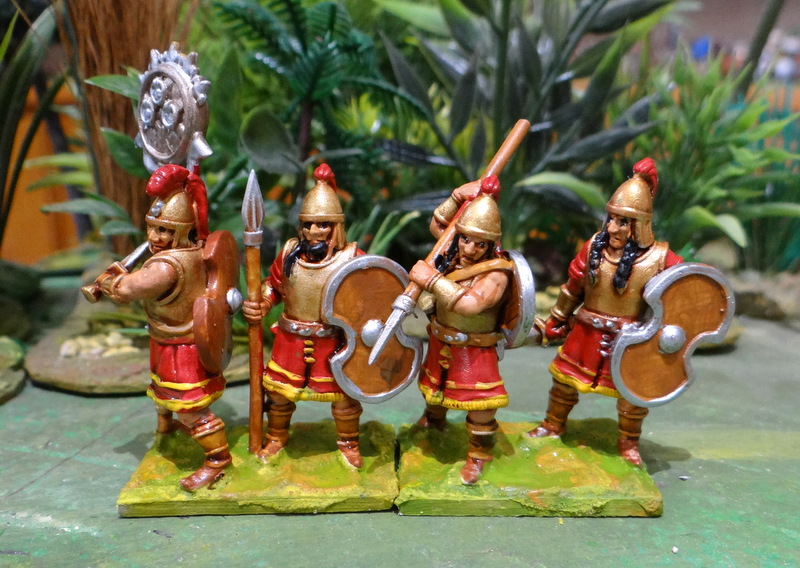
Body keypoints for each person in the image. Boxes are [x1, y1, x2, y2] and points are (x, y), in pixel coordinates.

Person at [528, 158, 682, 466]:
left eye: (623, 221)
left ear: (639, 225)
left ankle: (629, 442)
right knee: (564, 381)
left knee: (632, 394)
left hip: (630, 341)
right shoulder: (593, 248)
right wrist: (558, 318)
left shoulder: (661, 259)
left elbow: (684, 292)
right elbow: (573, 288)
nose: (612, 227)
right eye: (611, 218)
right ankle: (553, 424)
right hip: (586, 332)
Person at [98, 164, 232, 491]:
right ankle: (166, 431)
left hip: (183, 347)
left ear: (183, 231)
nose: (154, 238)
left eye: (165, 231)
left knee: (190, 408)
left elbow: (131, 289)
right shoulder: (193, 252)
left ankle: (217, 460)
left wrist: (111, 282)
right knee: (162, 394)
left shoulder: (168, 265)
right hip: (167, 340)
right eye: (152, 228)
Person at [242, 164, 365, 468]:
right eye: (308, 224)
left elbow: (369, 296)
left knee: (343, 396)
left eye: (322, 224)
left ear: (335, 227)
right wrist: (263, 302)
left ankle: (348, 443)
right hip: (291, 339)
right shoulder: (289, 254)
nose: (313, 231)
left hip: (333, 342)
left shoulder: (352, 259)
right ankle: (276, 436)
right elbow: (275, 284)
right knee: (279, 393)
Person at [408, 176, 513, 485]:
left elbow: (469, 304)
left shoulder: (497, 274)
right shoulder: (452, 255)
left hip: (474, 348)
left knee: (480, 407)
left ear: (490, 245)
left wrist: (431, 281)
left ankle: (479, 455)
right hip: (442, 340)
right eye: (465, 239)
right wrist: (456, 196)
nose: (469, 248)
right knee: (434, 389)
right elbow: (439, 225)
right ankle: (433, 421)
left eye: (479, 244)